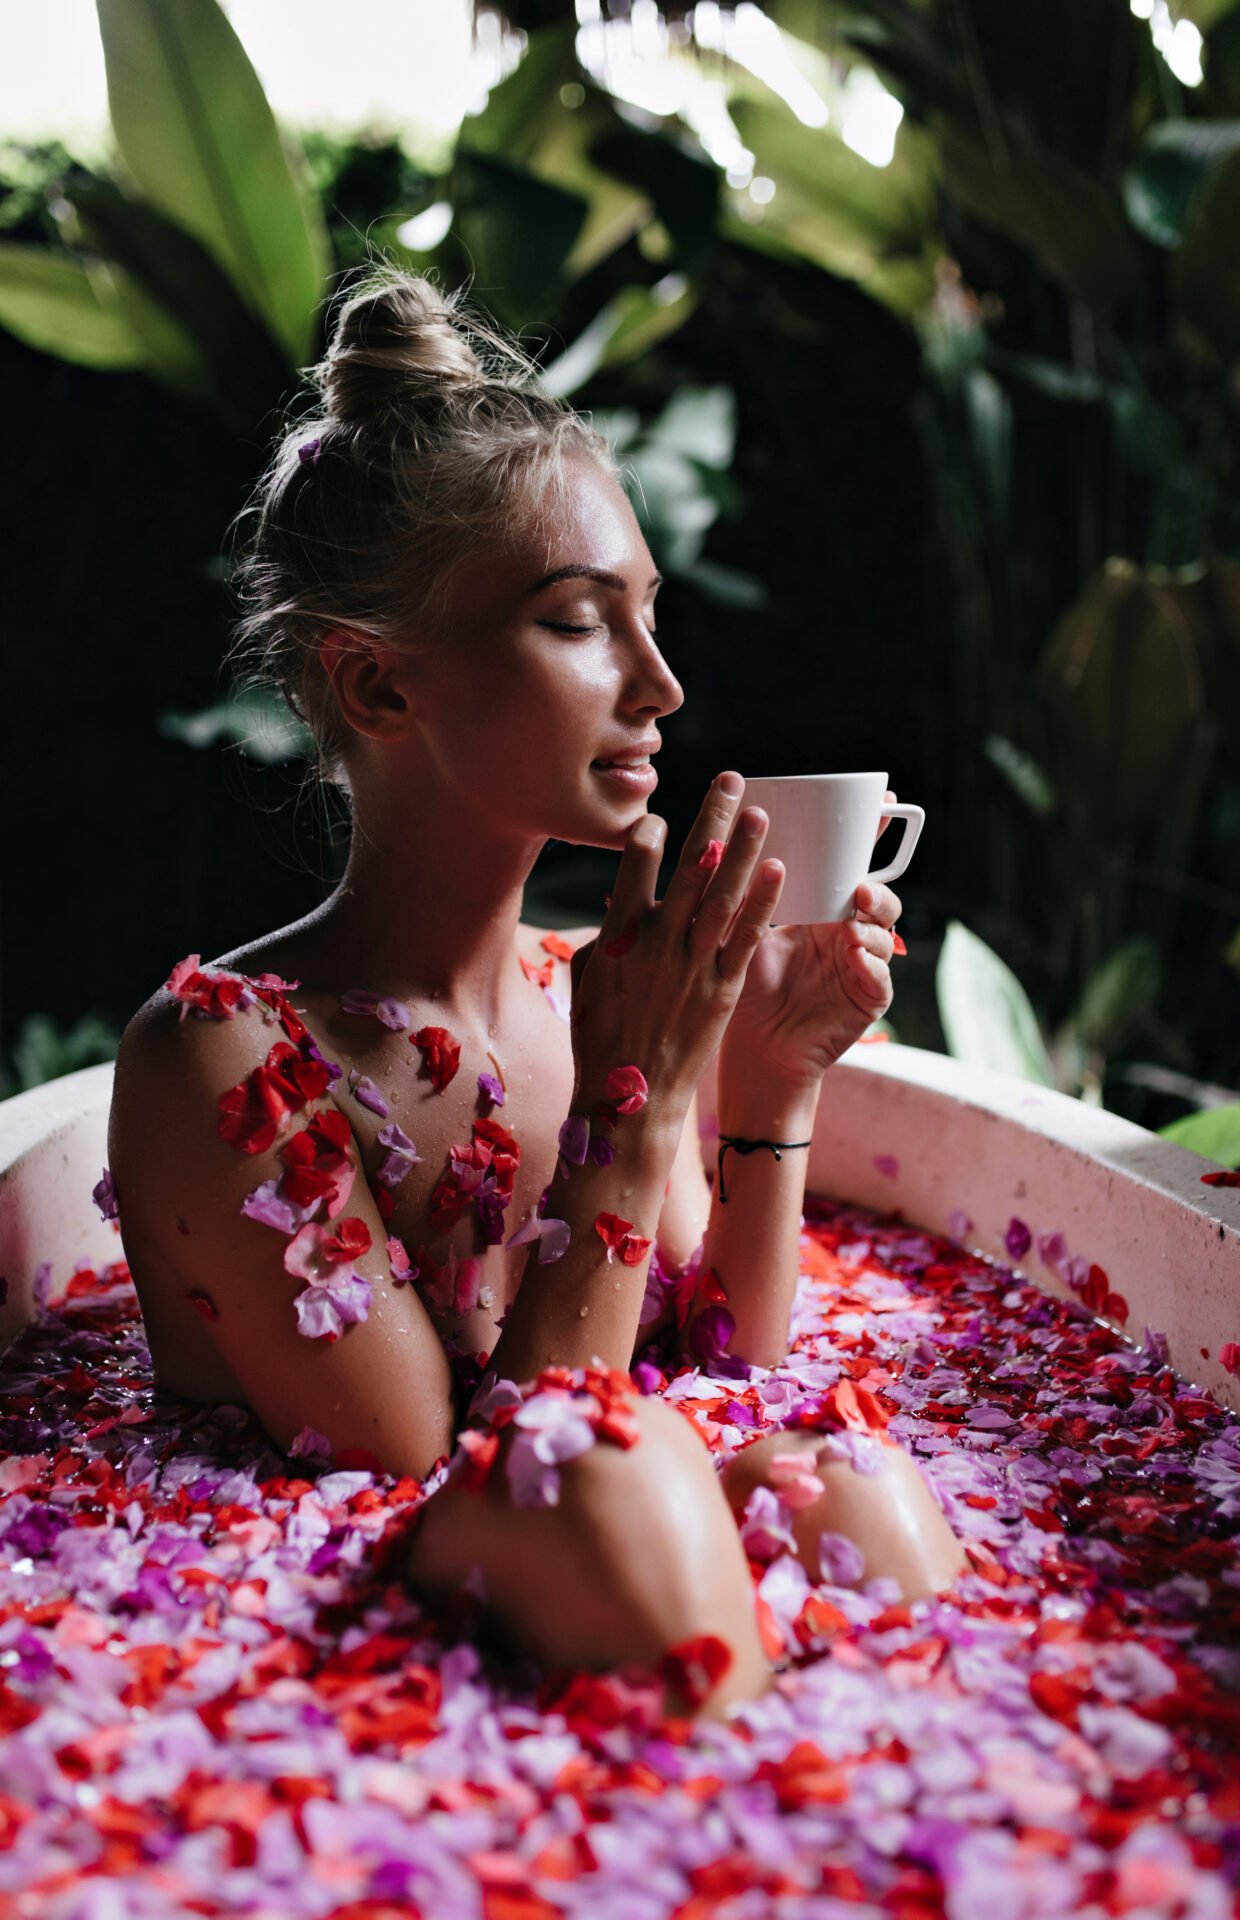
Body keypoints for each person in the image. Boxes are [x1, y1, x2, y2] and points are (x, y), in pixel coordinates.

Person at [107, 270, 965, 1721]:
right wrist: (630, 1116)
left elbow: (723, 1354)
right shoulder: (219, 1059)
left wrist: (771, 1077)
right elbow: (442, 1461)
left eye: (648, 616)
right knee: (614, 1481)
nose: (662, 686)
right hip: (369, 1617)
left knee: (855, 1485)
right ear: (378, 690)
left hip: (587, 1541)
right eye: (581, 623)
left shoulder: (581, 988)